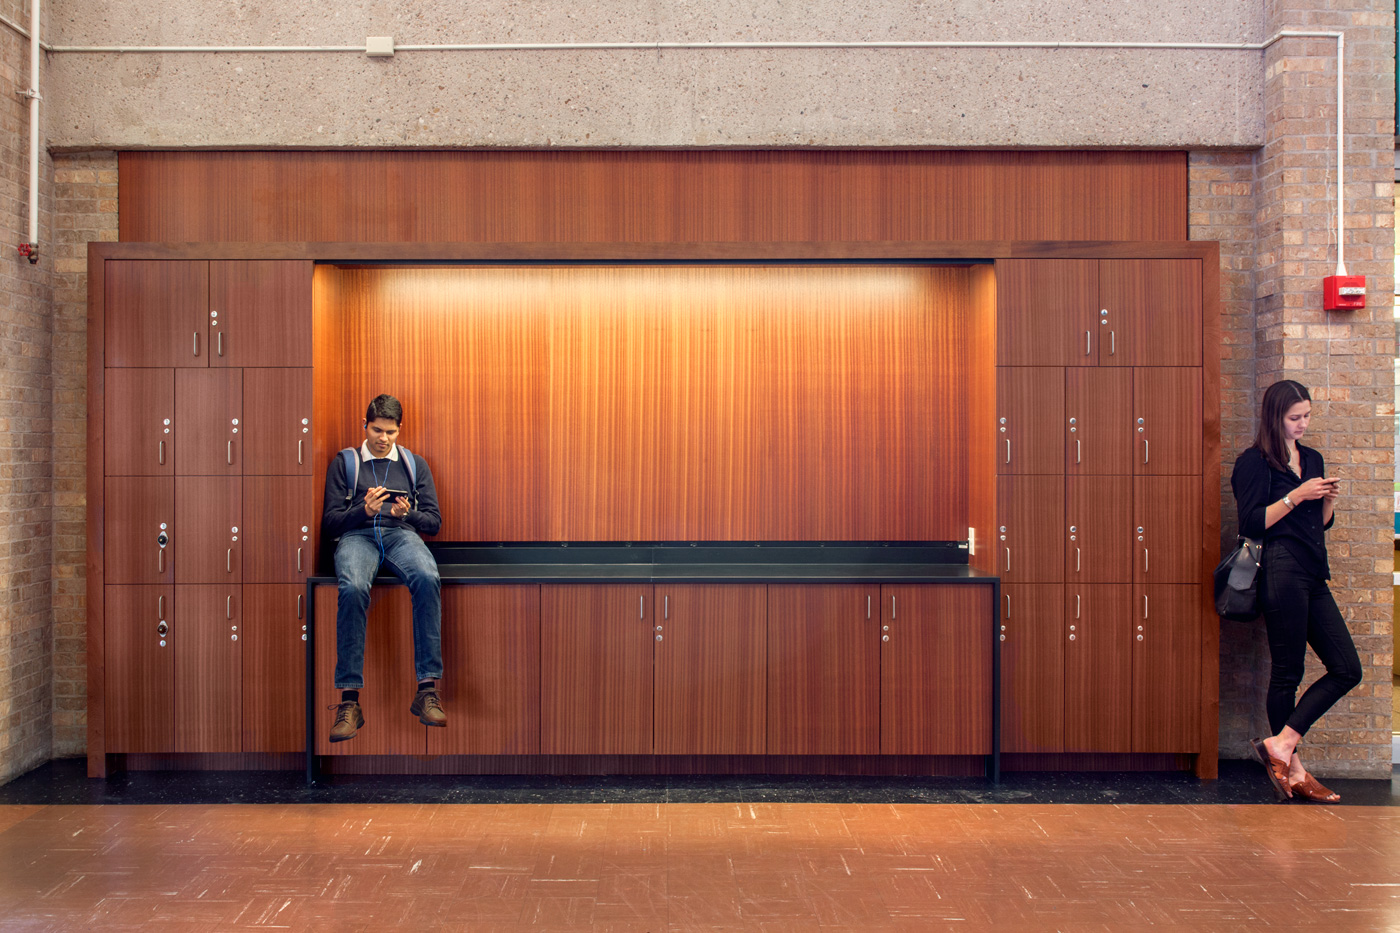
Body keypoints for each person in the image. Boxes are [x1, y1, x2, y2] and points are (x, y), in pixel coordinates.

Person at [1231, 379, 1360, 802]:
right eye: (1294, 417)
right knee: (1288, 672)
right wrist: (1296, 495)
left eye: (1306, 415)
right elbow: (1250, 523)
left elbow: (1316, 527)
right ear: (1275, 416)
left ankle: (1281, 744)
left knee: (1346, 668)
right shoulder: (1254, 462)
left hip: (1311, 570)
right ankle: (1296, 770)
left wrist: (1325, 503)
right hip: (1280, 570)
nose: (1303, 424)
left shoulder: (1313, 457)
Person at [321, 394, 445, 742]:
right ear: (365, 425)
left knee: (426, 576)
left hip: (400, 535)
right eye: (377, 430)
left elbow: (433, 522)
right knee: (353, 586)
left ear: (399, 430)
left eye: (390, 432)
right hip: (357, 536)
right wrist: (364, 511)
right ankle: (349, 701)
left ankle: (426, 690)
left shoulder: (413, 464)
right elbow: (330, 523)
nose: (383, 438)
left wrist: (408, 514)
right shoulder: (345, 463)